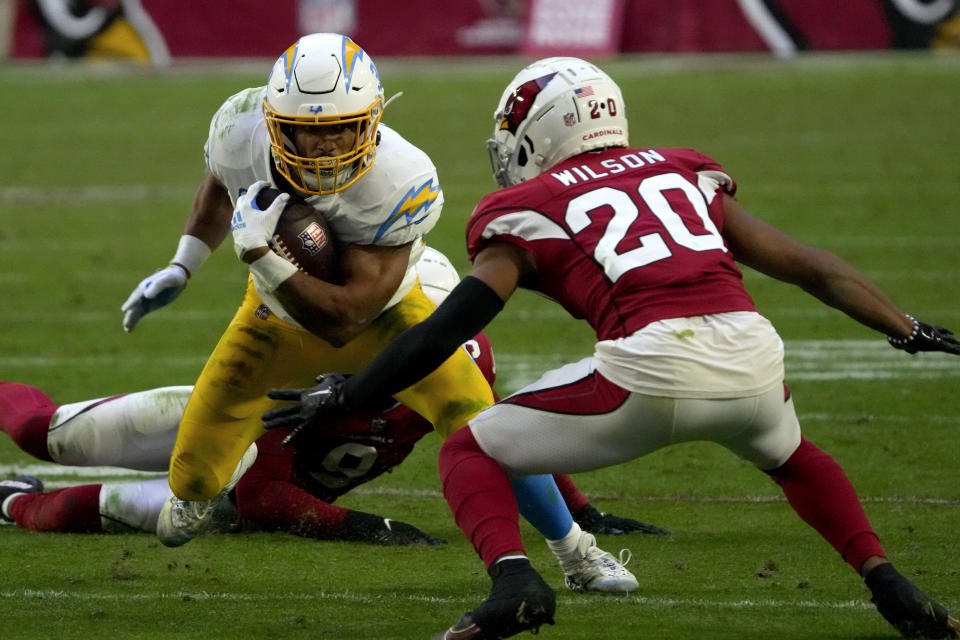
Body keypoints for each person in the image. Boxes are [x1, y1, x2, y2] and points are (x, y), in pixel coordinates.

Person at [263, 57, 960, 639]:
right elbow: (814, 266)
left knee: (471, 448)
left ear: (540, 128)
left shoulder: (530, 204)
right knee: (796, 458)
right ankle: (886, 579)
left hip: (649, 368)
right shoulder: (685, 169)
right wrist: (908, 328)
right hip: (753, 354)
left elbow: (452, 325)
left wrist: (351, 395)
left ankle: (514, 582)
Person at [122, 69, 635, 590]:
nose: (325, 145)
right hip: (272, 322)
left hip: (387, 319)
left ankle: (578, 554)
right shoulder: (237, 128)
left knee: (487, 426)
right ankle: (201, 488)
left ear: (370, 120)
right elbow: (219, 185)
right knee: (190, 483)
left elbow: (349, 317)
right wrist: (182, 264)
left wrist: (263, 255)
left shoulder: (401, 175)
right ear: (275, 125)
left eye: (341, 128)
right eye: (308, 129)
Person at [2, 249, 671, 543]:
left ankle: (12, 504)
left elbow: (507, 439)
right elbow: (265, 487)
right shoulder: (317, 353)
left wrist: (583, 516)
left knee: (171, 511)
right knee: (48, 434)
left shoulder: (459, 363)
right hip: (222, 435)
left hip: (242, 497)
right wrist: (368, 528)